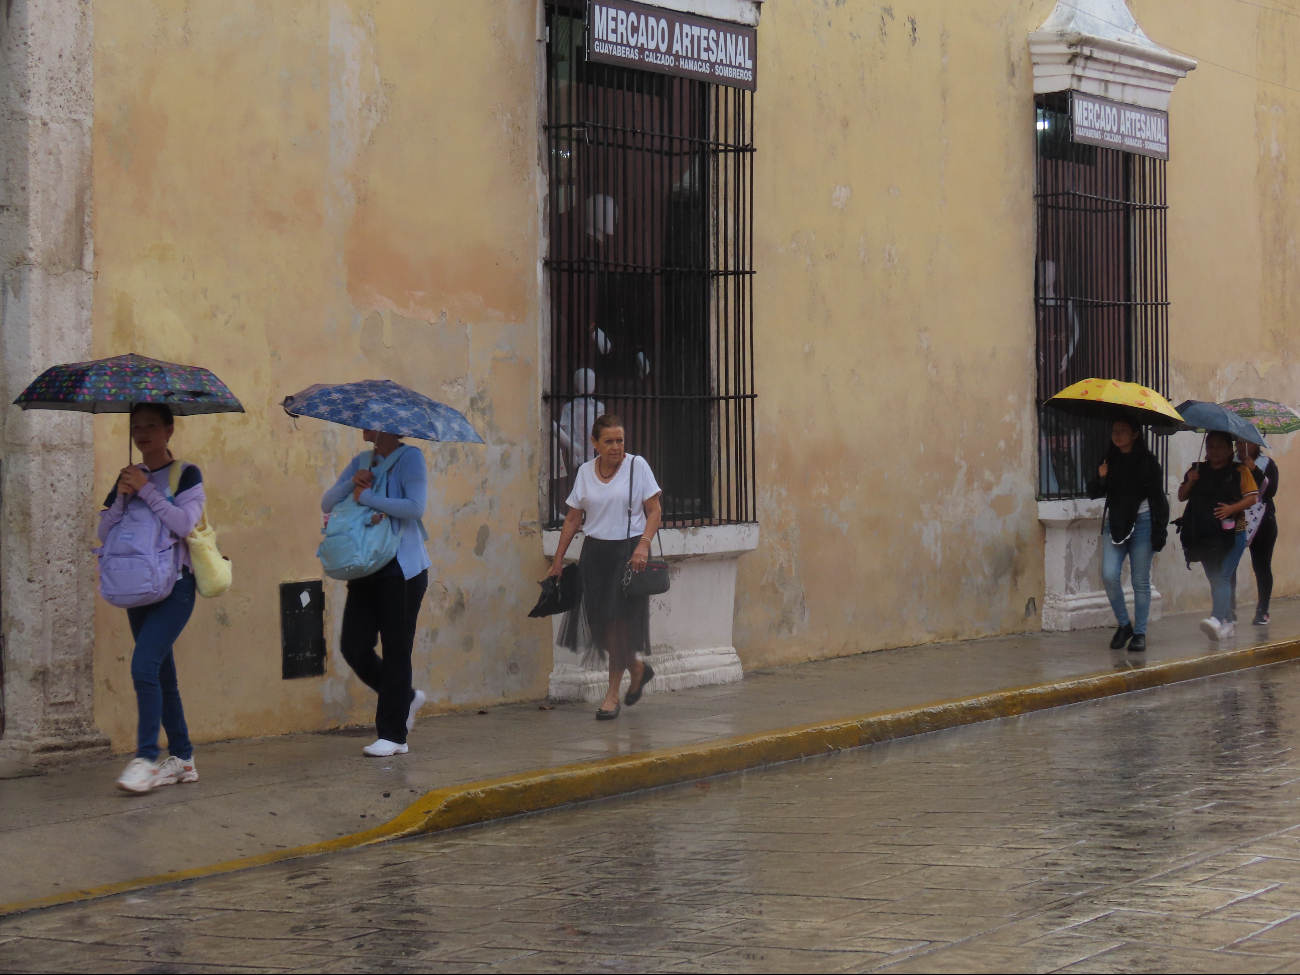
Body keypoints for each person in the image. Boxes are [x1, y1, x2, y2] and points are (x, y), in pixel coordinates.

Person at [102, 404, 205, 794]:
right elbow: (103, 531)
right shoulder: (128, 476)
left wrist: (147, 490)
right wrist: (122, 498)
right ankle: (182, 758)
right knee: (162, 674)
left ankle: (145, 759)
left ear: (168, 430)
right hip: (137, 586)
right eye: (135, 426)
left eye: (150, 425)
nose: (142, 432)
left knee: (144, 667)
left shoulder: (185, 474)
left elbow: (183, 524)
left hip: (175, 585)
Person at [321, 429, 430, 756]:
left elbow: (415, 507)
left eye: (370, 419)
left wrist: (366, 498)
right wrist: (352, 483)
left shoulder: (411, 458)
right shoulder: (362, 460)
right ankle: (406, 699)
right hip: (366, 564)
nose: (362, 424)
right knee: (353, 646)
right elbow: (327, 502)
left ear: (386, 425)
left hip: (403, 568)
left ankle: (394, 736)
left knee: (397, 649)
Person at [548, 414, 663, 719]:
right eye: (609, 441)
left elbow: (654, 511)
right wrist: (559, 560)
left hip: (628, 553)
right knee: (598, 626)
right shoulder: (585, 472)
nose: (616, 447)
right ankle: (637, 669)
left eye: (620, 440)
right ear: (594, 443)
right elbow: (574, 518)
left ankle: (612, 696)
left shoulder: (637, 467)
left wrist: (643, 545)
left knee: (618, 625)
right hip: (594, 554)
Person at [1087, 418, 1169, 653]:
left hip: (1144, 524)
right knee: (1109, 575)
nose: (1117, 434)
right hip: (1116, 525)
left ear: (1135, 434)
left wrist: (1159, 529)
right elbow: (1093, 492)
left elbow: (1158, 497)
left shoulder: (1148, 461)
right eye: (1114, 430)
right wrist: (1100, 476)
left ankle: (1140, 633)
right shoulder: (1108, 460)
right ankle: (1124, 625)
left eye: (1123, 431)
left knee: (1140, 581)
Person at [1178, 431, 1258, 642]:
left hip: (1233, 535)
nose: (1214, 451)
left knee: (1222, 577)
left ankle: (1215, 618)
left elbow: (1252, 497)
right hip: (1204, 535)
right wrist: (1190, 481)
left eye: (1219, 446)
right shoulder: (1197, 470)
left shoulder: (1239, 471)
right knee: (1214, 579)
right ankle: (1228, 623)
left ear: (1229, 449)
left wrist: (1232, 508)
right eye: (1210, 446)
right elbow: (1181, 496)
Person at [1231, 440, 1279, 625]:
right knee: (1230, 566)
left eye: (1247, 441)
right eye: (1238, 440)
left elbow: (1271, 490)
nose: (1242, 445)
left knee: (1261, 567)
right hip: (1235, 518)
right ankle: (1230, 609)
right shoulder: (1230, 462)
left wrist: (1255, 470)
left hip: (1262, 523)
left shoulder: (1267, 464)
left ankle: (1262, 610)